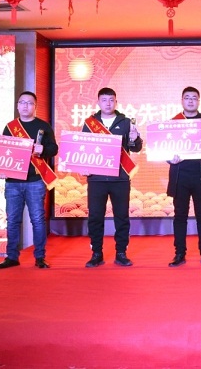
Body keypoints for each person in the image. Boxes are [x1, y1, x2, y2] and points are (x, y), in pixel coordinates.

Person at [0, 91, 58, 270]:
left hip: (35, 180)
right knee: (12, 220)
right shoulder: (10, 127)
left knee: (37, 220)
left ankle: (40, 257)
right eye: (22, 102)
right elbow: (3, 151)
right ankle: (11, 257)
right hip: (13, 181)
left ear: (35, 106)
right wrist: (1, 170)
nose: (25, 106)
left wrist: (43, 149)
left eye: (29, 103)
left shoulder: (43, 126)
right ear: (17, 106)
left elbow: (54, 149)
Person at [82, 87, 142, 267]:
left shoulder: (126, 122)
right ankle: (96, 253)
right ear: (98, 102)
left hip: (120, 179)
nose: (108, 103)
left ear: (116, 102)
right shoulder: (90, 123)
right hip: (97, 179)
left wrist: (134, 138)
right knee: (95, 217)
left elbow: (136, 148)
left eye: (111, 100)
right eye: (104, 100)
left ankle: (121, 253)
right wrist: (83, 166)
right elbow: (83, 148)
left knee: (121, 217)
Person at [166, 87, 201, 267]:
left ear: (199, 101)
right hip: (179, 175)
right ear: (182, 100)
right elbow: (166, 149)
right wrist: (169, 158)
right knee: (180, 216)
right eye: (187, 98)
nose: (190, 101)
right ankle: (179, 253)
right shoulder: (173, 122)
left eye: (194, 98)